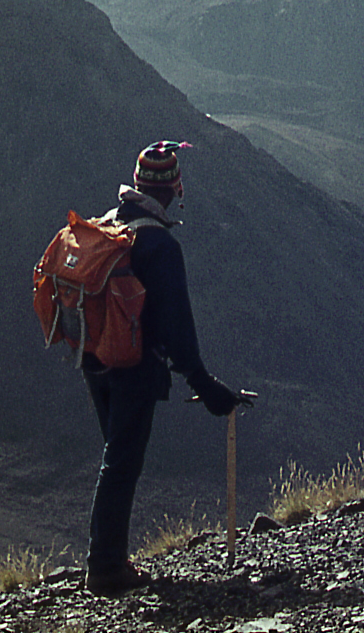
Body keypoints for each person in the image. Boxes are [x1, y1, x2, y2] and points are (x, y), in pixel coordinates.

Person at [83, 140, 246, 597]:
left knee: (114, 456)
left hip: (94, 359)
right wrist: (203, 382)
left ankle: (108, 558)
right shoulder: (159, 245)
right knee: (122, 461)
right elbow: (175, 325)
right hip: (132, 365)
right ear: (174, 187)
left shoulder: (109, 226)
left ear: (136, 183)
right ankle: (107, 569)